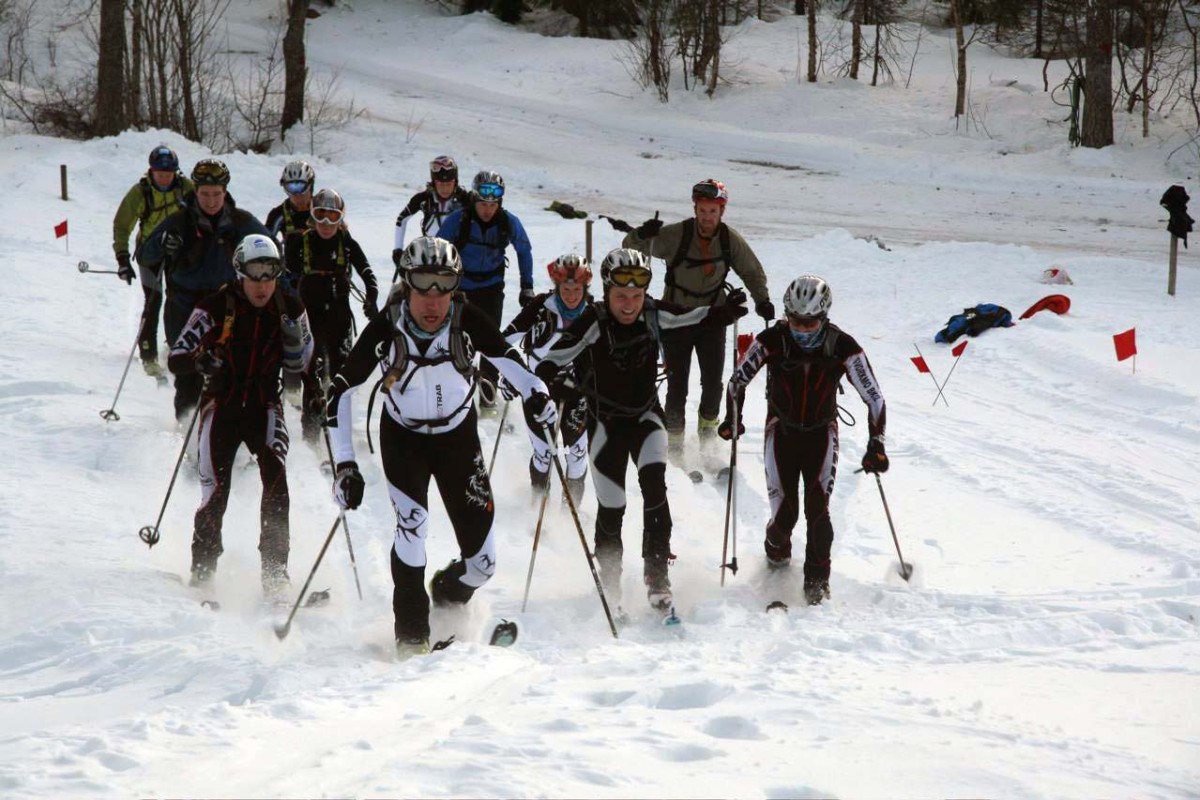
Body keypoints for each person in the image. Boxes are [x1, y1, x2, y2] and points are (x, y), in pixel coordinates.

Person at [325, 236, 555, 655]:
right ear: (407, 284)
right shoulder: (387, 326)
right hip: (403, 440)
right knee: (412, 529)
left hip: (458, 440)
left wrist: (538, 396)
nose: (433, 302)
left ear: (454, 288)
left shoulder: (467, 320)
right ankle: (411, 635)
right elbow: (340, 391)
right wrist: (345, 465)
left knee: (483, 565)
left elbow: (512, 364)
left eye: (444, 287)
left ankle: (448, 595)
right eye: (422, 286)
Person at [535, 248, 747, 615]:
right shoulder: (593, 320)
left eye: (636, 296)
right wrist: (556, 384)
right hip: (605, 426)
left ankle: (656, 570)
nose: (629, 304)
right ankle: (611, 575)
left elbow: (692, 317)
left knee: (654, 488)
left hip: (647, 417)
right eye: (621, 296)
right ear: (605, 292)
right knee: (612, 505)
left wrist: (723, 313)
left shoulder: (653, 313)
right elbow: (549, 362)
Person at [719, 275, 887, 606]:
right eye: (796, 320)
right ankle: (776, 550)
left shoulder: (843, 345)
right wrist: (732, 418)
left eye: (810, 322)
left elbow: (875, 398)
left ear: (824, 317)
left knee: (817, 511)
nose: (802, 329)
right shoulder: (773, 339)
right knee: (786, 516)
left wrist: (876, 444)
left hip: (821, 433)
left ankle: (817, 584)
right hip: (780, 432)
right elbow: (737, 381)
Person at [166, 234, 314, 599]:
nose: (262, 284)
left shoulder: (290, 306)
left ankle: (276, 572)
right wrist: (200, 361)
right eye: (255, 274)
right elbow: (177, 355)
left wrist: (319, 389)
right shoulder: (216, 305)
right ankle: (203, 571)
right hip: (221, 405)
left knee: (277, 480)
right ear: (239, 272)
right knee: (215, 489)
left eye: (270, 274)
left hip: (265, 404)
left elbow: (309, 359)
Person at [620, 179, 773, 449]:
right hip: (675, 317)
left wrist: (762, 300)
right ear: (695, 208)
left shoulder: (729, 239)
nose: (706, 217)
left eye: (712, 211)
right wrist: (642, 233)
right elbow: (632, 251)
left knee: (713, 383)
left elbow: (751, 270)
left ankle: (707, 439)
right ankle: (675, 443)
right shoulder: (677, 234)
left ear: (722, 211)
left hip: (713, 318)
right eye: (702, 211)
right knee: (677, 384)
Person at [140, 159, 272, 421]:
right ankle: (187, 431)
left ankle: (226, 433)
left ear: (225, 192)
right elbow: (145, 255)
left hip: (228, 307)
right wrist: (162, 244)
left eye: (216, 194)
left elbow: (271, 253)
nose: (211, 201)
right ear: (195, 191)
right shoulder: (178, 221)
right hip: (184, 307)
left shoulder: (241, 222)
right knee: (188, 374)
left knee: (229, 372)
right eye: (204, 194)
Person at [284, 188, 380, 443]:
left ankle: (339, 428)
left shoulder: (346, 243)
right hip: (309, 319)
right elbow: (282, 279)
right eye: (321, 216)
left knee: (341, 375)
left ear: (341, 218)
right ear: (313, 217)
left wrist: (371, 297)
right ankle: (311, 435)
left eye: (333, 217)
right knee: (312, 376)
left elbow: (367, 272)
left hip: (338, 318)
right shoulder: (298, 243)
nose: (327, 224)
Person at [436, 170, 535, 411]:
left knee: (490, 343)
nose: (487, 210)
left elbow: (524, 250)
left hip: (491, 289)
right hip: (459, 290)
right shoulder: (458, 220)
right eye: (482, 204)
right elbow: (436, 249)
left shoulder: (507, 222)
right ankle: (454, 395)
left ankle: (488, 400)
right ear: (474, 200)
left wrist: (527, 287)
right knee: (456, 341)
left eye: (493, 205)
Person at [499, 253, 594, 501]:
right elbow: (504, 340)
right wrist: (511, 375)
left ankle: (569, 511)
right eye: (566, 288)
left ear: (585, 287)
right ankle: (537, 507)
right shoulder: (541, 306)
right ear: (557, 286)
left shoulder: (595, 313)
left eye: (577, 289)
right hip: (538, 388)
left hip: (578, 391)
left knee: (577, 453)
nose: (571, 295)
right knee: (543, 453)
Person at [112, 145, 194, 373]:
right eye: (160, 174)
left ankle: (176, 346)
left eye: (169, 174)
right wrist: (122, 259)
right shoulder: (140, 192)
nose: (165, 178)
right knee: (153, 299)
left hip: (179, 251)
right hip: (150, 253)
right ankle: (148, 353)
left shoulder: (186, 188)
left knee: (178, 299)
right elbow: (121, 225)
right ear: (152, 171)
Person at [391, 155, 471, 276]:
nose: (445, 189)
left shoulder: (465, 199)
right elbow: (401, 220)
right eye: (441, 184)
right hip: (429, 254)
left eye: (449, 184)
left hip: (458, 255)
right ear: (434, 183)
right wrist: (397, 250)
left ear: (455, 182)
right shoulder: (424, 199)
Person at [265, 160, 316, 261]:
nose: (296, 193)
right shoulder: (279, 214)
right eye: (291, 187)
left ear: (310, 185)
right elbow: (265, 244)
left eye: (300, 187)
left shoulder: (323, 210)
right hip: (291, 273)